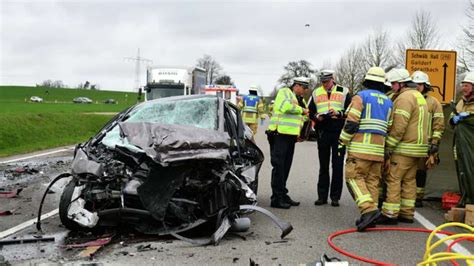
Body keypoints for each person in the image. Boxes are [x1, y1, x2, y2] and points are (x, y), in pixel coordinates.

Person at [339, 67, 392, 231]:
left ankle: (368, 210)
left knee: (353, 178)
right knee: (372, 182)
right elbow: (388, 127)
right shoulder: (389, 102)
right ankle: (371, 217)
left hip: (360, 149)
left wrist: (342, 142)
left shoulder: (361, 97)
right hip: (378, 151)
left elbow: (351, 123)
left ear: (367, 81)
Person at [379, 69, 429, 224]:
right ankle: (407, 213)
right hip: (417, 148)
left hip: (404, 148)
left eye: (393, 83)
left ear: (401, 83)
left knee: (393, 178)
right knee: (409, 180)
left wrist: (389, 147)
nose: (392, 87)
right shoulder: (418, 96)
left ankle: (390, 214)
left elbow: (399, 126)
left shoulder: (404, 98)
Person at [309, 70, 351, 207]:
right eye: (322, 82)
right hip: (323, 133)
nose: (325, 84)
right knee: (323, 166)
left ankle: (335, 197)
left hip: (339, 133)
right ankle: (322, 196)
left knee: (337, 166)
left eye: (326, 82)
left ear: (332, 79)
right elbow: (310, 111)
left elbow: (351, 111)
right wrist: (316, 117)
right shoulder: (316, 92)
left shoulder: (344, 91)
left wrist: (338, 113)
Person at [267, 77, 310, 209]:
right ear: (296, 85)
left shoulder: (300, 100)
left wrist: (301, 133)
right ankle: (276, 198)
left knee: (286, 166)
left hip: (290, 137)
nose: (304, 92)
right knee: (278, 166)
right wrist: (301, 110)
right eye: (303, 88)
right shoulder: (284, 92)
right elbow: (285, 107)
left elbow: (305, 116)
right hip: (279, 134)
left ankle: (282, 194)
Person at [411, 71, 445, 207]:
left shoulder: (433, 103)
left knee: (420, 172)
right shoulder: (409, 99)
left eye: (419, 84)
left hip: (425, 144)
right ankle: (406, 197)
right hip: (409, 143)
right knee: (407, 172)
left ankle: (418, 197)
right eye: (414, 84)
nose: (417, 87)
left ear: (425, 86)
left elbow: (439, 123)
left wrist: (435, 143)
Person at [450, 72, 474, 206]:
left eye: (467, 86)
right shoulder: (460, 102)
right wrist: (454, 119)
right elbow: (451, 119)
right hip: (461, 144)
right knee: (463, 169)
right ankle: (467, 199)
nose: (464, 88)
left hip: (471, 145)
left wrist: (469, 117)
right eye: (463, 85)